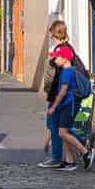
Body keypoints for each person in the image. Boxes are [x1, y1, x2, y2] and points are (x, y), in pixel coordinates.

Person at [46, 44, 94, 171]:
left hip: (69, 105)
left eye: (57, 58)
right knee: (64, 133)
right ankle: (69, 161)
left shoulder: (67, 72)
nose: (54, 60)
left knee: (63, 132)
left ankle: (86, 153)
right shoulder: (67, 71)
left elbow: (63, 92)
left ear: (65, 59)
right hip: (66, 105)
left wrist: (53, 107)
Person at [41, 20, 70, 158]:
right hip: (58, 93)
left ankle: (57, 157)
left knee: (55, 126)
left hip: (58, 94)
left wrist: (48, 92)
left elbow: (52, 75)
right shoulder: (64, 48)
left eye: (51, 34)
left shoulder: (61, 51)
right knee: (57, 126)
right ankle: (61, 156)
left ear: (54, 34)